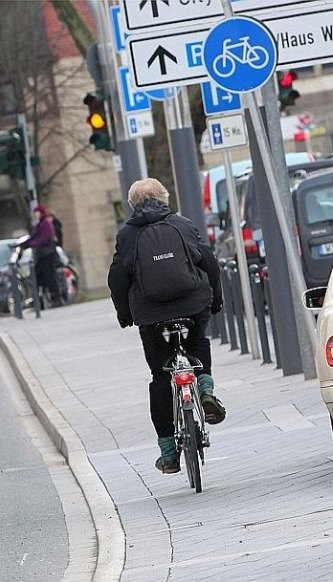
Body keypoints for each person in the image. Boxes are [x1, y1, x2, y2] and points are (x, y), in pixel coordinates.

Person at [107, 178, 227, 475]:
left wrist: (125, 315)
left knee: (160, 377)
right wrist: (215, 300)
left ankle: (169, 453)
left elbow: (118, 279)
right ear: (165, 198)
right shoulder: (182, 224)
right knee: (198, 341)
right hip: (192, 304)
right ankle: (205, 389)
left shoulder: (127, 235)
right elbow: (209, 261)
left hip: (151, 315)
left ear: (132, 204)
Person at [19, 204, 62, 307]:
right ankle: (38, 300)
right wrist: (23, 244)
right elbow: (34, 236)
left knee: (49, 276)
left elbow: (44, 238)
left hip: (47, 254)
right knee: (37, 276)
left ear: (41, 212)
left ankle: (56, 298)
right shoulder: (40, 224)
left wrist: (32, 244)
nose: (35, 215)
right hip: (42, 255)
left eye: (37, 212)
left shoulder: (46, 223)